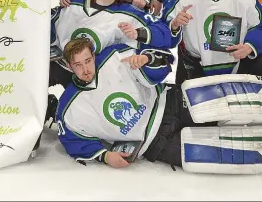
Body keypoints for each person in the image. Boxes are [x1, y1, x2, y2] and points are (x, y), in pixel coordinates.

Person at [57, 39, 262, 174]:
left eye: (88, 60)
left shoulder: (115, 56)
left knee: (235, 103)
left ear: (94, 55)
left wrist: (146, 60)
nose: (85, 69)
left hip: (169, 102)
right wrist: (104, 156)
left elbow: (163, 63)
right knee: (236, 149)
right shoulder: (68, 110)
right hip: (155, 143)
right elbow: (72, 140)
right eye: (77, 64)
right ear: (68, 66)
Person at [51, 0, 173, 88]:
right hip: (65, 67)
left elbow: (164, 34)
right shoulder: (73, 3)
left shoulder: (131, 13)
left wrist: (138, 34)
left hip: (104, 75)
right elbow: (47, 27)